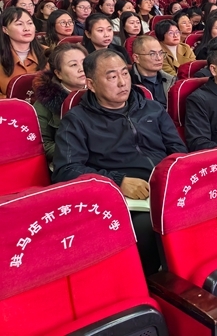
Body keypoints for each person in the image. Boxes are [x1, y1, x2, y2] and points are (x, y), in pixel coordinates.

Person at [52, 49, 186, 275]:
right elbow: (66, 170)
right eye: (112, 77)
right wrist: (118, 181)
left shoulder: (151, 108)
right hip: (124, 200)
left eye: (125, 73)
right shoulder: (77, 121)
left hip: (166, 187)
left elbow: (178, 149)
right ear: (91, 84)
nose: (123, 82)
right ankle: (149, 283)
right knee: (148, 227)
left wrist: (172, 175)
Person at [33, 44, 88, 163]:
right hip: (70, 161)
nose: (81, 69)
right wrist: (80, 150)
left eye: (84, 62)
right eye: (73, 65)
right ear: (58, 73)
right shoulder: (45, 102)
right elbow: (43, 145)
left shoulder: (102, 91)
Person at [0, 7, 47, 97]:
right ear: (5, 30)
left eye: (30, 23)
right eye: (19, 24)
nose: (26, 28)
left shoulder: (48, 53)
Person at [130, 35, 175, 109]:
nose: (159, 58)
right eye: (152, 54)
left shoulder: (171, 80)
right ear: (136, 58)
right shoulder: (128, 84)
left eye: (161, 53)